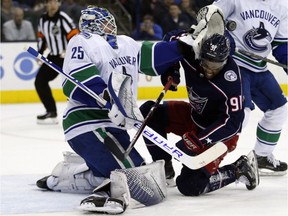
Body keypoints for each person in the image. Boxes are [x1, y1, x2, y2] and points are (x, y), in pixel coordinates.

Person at [35, 5, 200, 214]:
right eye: (104, 21)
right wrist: (105, 97)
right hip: (86, 123)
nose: (110, 25)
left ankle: (66, 177)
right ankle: (99, 189)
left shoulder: (126, 43)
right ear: (90, 25)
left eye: (109, 20)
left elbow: (153, 56)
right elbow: (75, 84)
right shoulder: (83, 40)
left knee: (140, 174)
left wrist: (182, 47)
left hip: (115, 124)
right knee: (137, 180)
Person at [213, 0, 287, 175]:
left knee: (279, 108)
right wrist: (225, 38)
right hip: (234, 65)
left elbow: (281, 44)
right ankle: (207, 155)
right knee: (240, 115)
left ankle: (261, 156)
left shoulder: (282, 6)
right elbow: (210, 19)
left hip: (259, 68)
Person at [35, 0, 79, 124]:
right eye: (50, 2)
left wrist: (69, 50)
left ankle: (80, 112)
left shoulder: (63, 18)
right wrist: (40, 53)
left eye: (55, 2)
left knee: (75, 85)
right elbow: (41, 37)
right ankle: (51, 111)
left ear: (58, 4)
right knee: (40, 82)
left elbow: (75, 35)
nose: (53, 5)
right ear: (46, 4)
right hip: (54, 57)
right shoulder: (42, 19)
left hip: (68, 57)